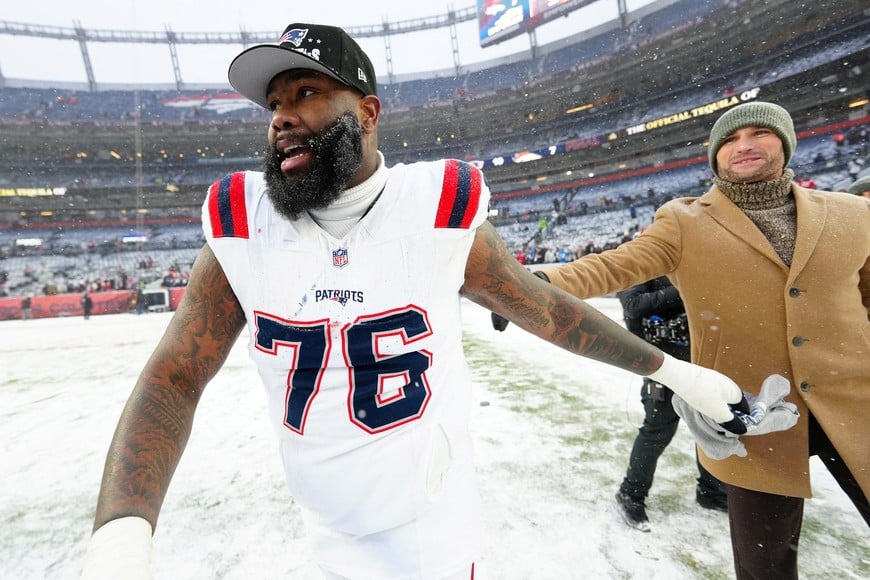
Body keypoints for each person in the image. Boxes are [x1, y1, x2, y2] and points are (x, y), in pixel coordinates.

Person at [81, 23, 748, 580]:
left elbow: (544, 309)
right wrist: (123, 530)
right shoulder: (239, 219)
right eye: (274, 105)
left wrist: (676, 373)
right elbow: (175, 375)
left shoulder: (436, 208)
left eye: (306, 92)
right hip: (324, 517)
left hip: (431, 519)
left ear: (368, 112)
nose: (281, 117)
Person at [496, 101, 869, 579]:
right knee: (765, 565)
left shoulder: (853, 213)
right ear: (714, 156)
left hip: (857, 400)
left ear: (786, 142)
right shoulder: (684, 221)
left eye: (759, 133)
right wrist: (526, 283)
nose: (745, 145)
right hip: (752, 410)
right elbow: (612, 266)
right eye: (730, 140)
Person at [614, 276, 727, 532]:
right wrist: (685, 288)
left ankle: (711, 490)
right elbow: (632, 304)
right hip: (664, 369)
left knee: (709, 429)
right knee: (657, 432)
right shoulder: (646, 266)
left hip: (700, 367)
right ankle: (631, 493)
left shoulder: (691, 265)